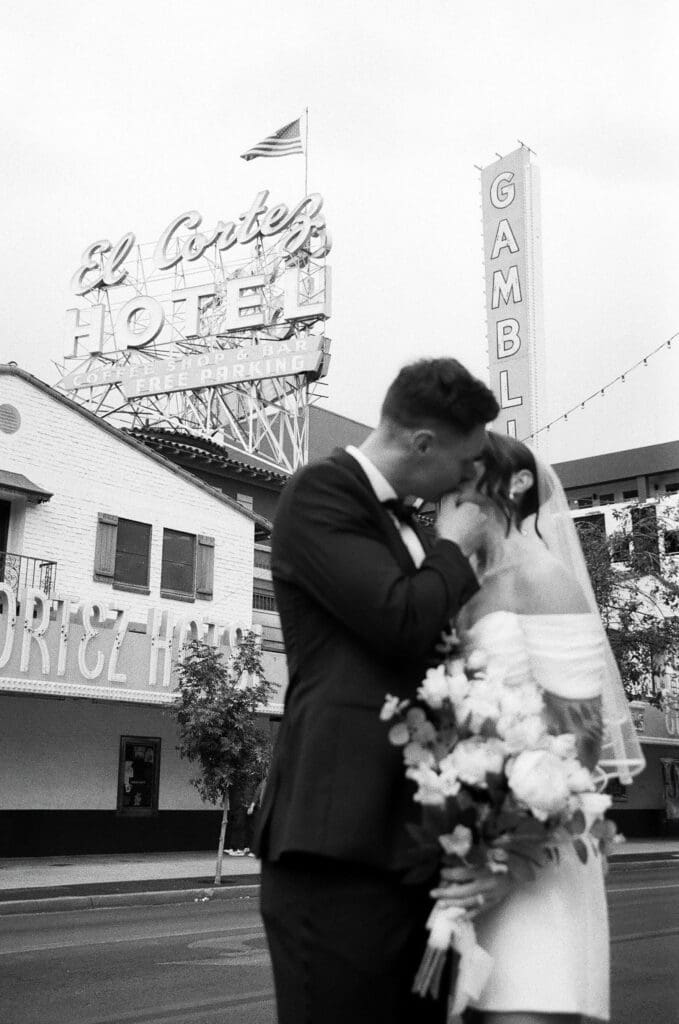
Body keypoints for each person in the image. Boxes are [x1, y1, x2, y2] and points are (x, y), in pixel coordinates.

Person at [254, 358, 500, 1024]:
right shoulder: (318, 492)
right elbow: (399, 620)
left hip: (404, 842)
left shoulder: (408, 527)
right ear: (422, 444)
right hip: (334, 844)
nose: (466, 480)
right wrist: (453, 546)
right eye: (464, 460)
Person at [444, 431, 645, 1024]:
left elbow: (581, 744)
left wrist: (506, 867)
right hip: (471, 850)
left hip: (537, 860)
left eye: (460, 483)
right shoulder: (464, 593)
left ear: (517, 484)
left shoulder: (546, 579)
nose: (444, 502)